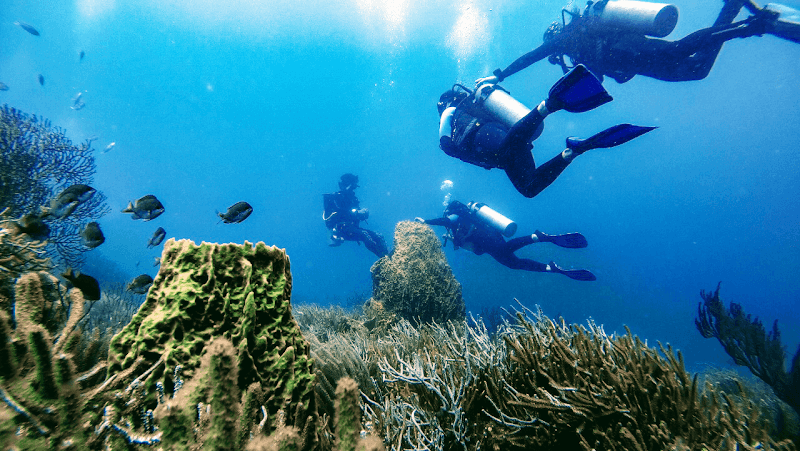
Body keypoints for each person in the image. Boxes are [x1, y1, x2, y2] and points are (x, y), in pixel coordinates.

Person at [438, 64, 655, 198]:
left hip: (487, 135)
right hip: (507, 145)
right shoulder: (464, 110)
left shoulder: (450, 110)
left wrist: (448, 144)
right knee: (529, 188)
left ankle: (549, 105)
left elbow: (446, 144)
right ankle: (571, 152)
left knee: (505, 151)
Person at [477, 0, 800, 85]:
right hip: (629, 61)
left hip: (624, 49)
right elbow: (597, 77)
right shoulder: (573, 44)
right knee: (695, 71)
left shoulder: (565, 37)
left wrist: (501, 74)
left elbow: (532, 56)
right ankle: (732, 9)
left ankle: (754, 25)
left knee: (677, 51)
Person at [416, 200, 596, 281]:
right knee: (513, 264)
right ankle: (551, 268)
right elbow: (473, 248)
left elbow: (446, 221)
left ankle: (538, 237)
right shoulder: (459, 225)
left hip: (488, 238)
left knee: (505, 250)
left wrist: (426, 222)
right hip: (489, 241)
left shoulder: (455, 217)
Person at [323, 174, 389, 258]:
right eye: (352, 187)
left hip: (353, 228)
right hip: (341, 229)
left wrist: (364, 214)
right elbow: (339, 213)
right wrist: (357, 213)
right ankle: (384, 258)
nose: (353, 190)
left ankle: (388, 255)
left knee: (378, 236)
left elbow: (356, 216)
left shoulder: (353, 199)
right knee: (365, 235)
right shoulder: (336, 198)